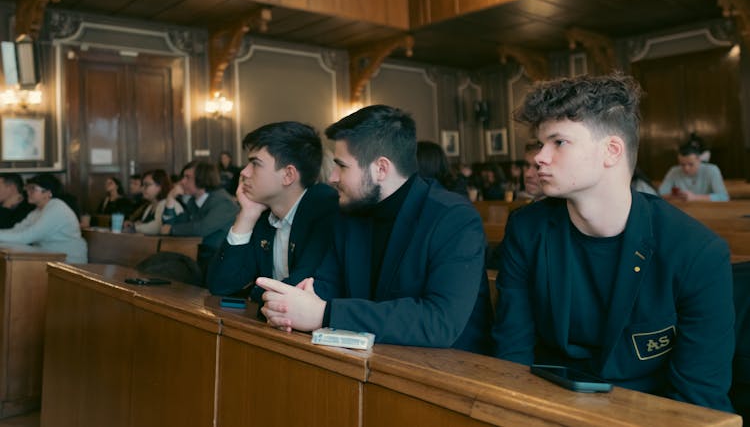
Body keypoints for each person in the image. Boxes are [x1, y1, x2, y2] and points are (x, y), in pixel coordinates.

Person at [492, 74, 734, 412]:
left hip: (649, 414)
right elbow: (512, 355)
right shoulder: (527, 228)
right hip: (545, 404)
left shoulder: (696, 252)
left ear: (611, 151)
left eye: (558, 142)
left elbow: (699, 400)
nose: (539, 157)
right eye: (539, 143)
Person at [257, 105, 492, 354]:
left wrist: (325, 314)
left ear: (381, 168)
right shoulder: (349, 215)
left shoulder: (453, 218)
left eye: (342, 166)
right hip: (373, 361)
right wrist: (287, 307)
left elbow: (439, 321)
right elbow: (324, 287)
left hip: (450, 371)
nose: (332, 177)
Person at [206, 122, 338, 302]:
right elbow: (221, 286)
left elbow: (296, 293)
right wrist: (247, 216)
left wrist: (255, 292)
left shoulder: (325, 207)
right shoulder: (264, 215)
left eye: (255, 163)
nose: (244, 172)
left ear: (288, 175)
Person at [161, 161, 239, 273]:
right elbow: (169, 225)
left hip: (222, 262)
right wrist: (170, 198)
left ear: (202, 178)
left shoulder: (223, 201)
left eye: (187, 177)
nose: (182, 182)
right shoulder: (194, 201)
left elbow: (202, 228)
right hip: (200, 257)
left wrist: (171, 230)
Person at [0, 174, 87, 263]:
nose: (28, 192)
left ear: (48, 193)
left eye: (33, 189)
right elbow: (17, 230)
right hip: (50, 259)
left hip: (70, 262)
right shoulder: (38, 210)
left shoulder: (56, 208)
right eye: (28, 188)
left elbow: (26, 237)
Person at [658, 141, 729, 201]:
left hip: (707, 210)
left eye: (690, 164)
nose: (686, 168)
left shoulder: (712, 170)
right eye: (682, 164)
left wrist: (695, 197)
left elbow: (724, 197)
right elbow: (659, 195)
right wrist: (675, 196)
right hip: (682, 211)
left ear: (699, 160)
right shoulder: (674, 171)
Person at [128, 169, 183, 234]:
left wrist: (135, 227)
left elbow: (157, 227)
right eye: (142, 185)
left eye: (147, 185)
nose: (142, 188)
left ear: (160, 186)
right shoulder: (150, 206)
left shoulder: (167, 203)